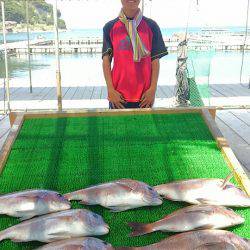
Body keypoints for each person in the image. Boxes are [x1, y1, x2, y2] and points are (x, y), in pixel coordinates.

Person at [102, 0, 168, 109]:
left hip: (145, 97)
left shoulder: (152, 26)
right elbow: (106, 61)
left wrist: (152, 89)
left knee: (145, 126)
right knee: (117, 126)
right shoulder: (110, 27)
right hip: (118, 97)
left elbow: (155, 60)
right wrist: (110, 90)